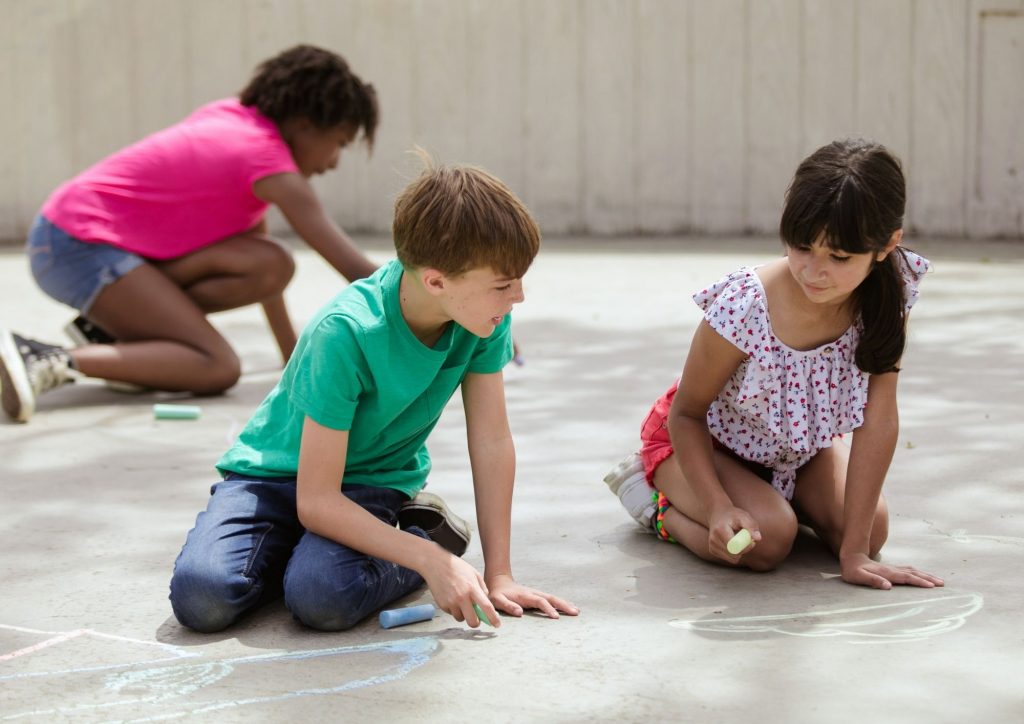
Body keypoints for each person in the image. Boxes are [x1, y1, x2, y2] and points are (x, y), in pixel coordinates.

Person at [168, 157, 579, 632]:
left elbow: (490, 440)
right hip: (272, 480)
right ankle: (420, 544)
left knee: (322, 597)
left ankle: (384, 542)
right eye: (504, 285)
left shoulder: (483, 318)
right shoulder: (345, 332)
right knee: (203, 598)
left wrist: (500, 574)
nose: (518, 297)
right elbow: (316, 501)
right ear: (436, 281)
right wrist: (429, 560)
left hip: (370, 481)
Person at [606, 138, 945, 591]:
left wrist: (855, 552)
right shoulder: (747, 304)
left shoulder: (888, 293)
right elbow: (686, 413)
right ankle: (657, 505)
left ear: (887, 246)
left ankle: (783, 499)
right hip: (705, 447)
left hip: (797, 452)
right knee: (766, 542)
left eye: (840, 258)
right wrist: (716, 508)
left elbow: (879, 418)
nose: (813, 271)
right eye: (802, 246)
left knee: (869, 531)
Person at [0, 44, 379, 423]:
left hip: (69, 235)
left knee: (270, 263)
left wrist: (291, 356)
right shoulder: (268, 163)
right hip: (77, 244)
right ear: (305, 125)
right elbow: (355, 269)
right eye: (339, 144)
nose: (333, 163)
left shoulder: (236, 120)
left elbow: (259, 254)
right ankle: (45, 356)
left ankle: (110, 331)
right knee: (216, 366)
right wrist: (429, 321)